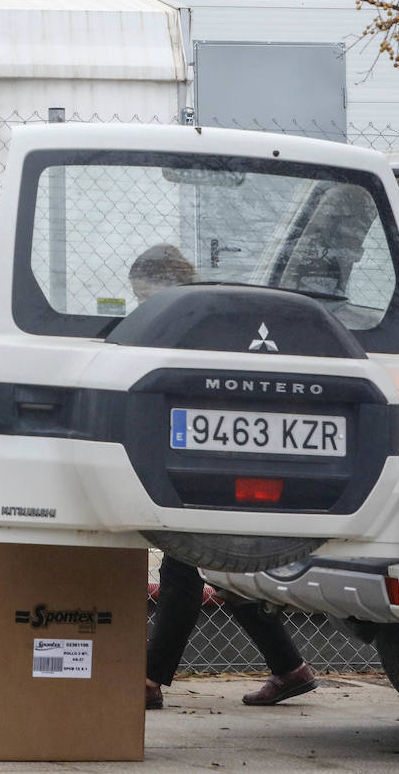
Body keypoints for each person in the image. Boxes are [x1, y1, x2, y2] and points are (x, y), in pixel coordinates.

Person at [126, 245, 318, 709]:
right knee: (224, 567)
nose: (141, 307)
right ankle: (290, 669)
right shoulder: (208, 318)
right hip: (219, 457)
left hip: (211, 459)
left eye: (146, 296)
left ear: (170, 289)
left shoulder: (189, 325)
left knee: (184, 568)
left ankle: (148, 682)